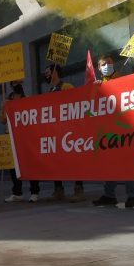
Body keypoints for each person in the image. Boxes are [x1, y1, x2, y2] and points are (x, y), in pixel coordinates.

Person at [91, 55, 134, 207]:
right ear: (99, 68)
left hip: (123, 128)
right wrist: (94, 89)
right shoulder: (97, 85)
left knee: (126, 163)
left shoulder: (122, 80)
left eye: (109, 63)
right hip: (107, 130)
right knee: (110, 164)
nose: (106, 66)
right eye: (103, 64)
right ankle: (109, 195)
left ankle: (132, 196)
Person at [43, 64, 85, 202]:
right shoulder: (50, 90)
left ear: (55, 72)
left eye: (48, 72)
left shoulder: (66, 87)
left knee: (74, 160)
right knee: (56, 160)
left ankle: (79, 189)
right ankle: (58, 189)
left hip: (68, 130)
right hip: (55, 131)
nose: (46, 74)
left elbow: (75, 103)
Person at [0, 81, 41, 202]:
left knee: (30, 164)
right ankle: (17, 192)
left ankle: (34, 191)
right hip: (11, 137)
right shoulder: (7, 100)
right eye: (13, 84)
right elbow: (2, 120)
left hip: (26, 137)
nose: (15, 85)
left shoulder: (27, 99)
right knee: (13, 166)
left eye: (17, 83)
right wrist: (3, 108)